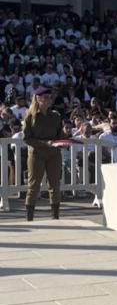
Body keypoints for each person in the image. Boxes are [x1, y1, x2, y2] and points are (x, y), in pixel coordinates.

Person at [22, 85, 63, 221]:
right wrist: (44, 143)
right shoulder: (30, 117)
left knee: (55, 184)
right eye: (45, 98)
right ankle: (29, 217)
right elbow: (26, 138)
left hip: (53, 153)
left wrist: (63, 140)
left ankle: (55, 216)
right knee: (33, 185)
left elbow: (59, 135)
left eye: (50, 98)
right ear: (38, 99)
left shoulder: (55, 116)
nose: (48, 100)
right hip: (36, 153)